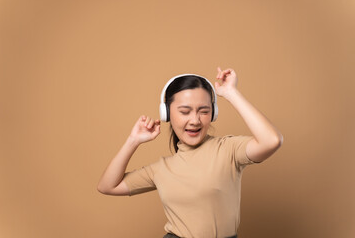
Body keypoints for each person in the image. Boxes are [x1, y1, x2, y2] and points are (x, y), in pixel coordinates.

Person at [97, 67, 283, 238]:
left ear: (214, 113)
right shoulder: (161, 169)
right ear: (167, 114)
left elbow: (271, 141)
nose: (195, 120)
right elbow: (107, 186)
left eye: (203, 111)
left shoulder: (228, 150)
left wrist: (231, 93)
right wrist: (133, 141)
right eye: (185, 111)